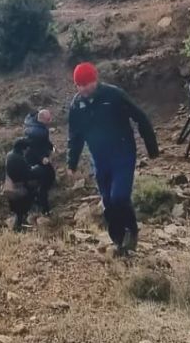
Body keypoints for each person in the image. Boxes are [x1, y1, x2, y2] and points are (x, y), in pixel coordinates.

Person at [66, 62, 160, 256]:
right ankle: (118, 240)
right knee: (108, 201)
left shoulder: (113, 95)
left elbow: (140, 117)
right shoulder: (77, 105)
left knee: (119, 196)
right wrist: (71, 163)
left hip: (123, 152)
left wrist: (151, 147)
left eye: (86, 84)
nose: (83, 88)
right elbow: (75, 136)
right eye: (79, 85)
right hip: (99, 157)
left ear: (95, 80)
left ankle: (131, 232)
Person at [4, 138, 46, 231]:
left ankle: (17, 226)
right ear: (23, 148)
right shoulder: (19, 158)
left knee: (18, 212)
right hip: (20, 187)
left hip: (11, 186)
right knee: (35, 192)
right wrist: (37, 169)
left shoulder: (10, 155)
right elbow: (27, 174)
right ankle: (34, 214)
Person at [23, 109, 57, 215]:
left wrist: (52, 147)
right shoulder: (38, 132)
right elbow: (34, 148)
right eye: (48, 119)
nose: (50, 120)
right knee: (48, 177)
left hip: (29, 158)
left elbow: (44, 142)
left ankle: (37, 197)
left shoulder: (32, 123)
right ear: (43, 120)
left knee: (48, 175)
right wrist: (42, 158)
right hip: (33, 160)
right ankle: (44, 207)